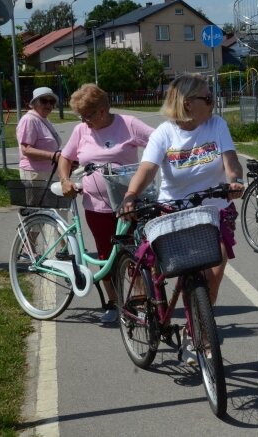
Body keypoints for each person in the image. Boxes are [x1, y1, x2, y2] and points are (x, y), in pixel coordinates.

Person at [120, 75, 244, 359]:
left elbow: (230, 160)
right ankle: (158, 309)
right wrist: (131, 195)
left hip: (214, 209)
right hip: (173, 210)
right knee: (176, 270)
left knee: (213, 273)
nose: (213, 102)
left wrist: (234, 180)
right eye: (208, 98)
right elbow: (148, 169)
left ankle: (196, 330)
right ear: (188, 104)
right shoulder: (164, 133)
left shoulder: (217, 125)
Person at [57, 84, 154, 324]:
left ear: (103, 110)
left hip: (129, 204)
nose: (84, 121)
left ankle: (140, 303)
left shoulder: (128, 124)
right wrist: (65, 179)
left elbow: (158, 142)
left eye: (88, 116)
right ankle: (113, 302)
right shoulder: (81, 130)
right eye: (81, 116)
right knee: (105, 254)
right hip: (95, 206)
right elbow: (66, 157)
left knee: (136, 252)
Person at [16, 87, 62, 181]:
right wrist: (53, 156)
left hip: (47, 172)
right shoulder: (29, 120)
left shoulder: (43, 119)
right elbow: (26, 150)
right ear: (34, 103)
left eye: (52, 102)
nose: (48, 105)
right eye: (44, 101)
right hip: (34, 173)